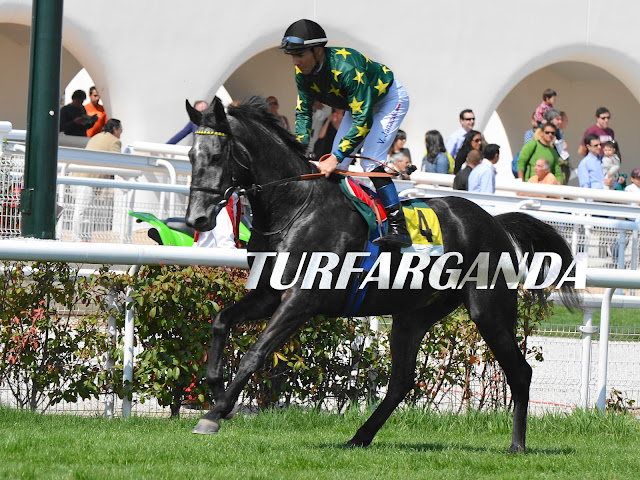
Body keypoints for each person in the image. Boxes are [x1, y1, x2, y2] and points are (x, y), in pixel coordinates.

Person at [281, 18, 411, 248]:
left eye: (300, 54)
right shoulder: (302, 73)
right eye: (292, 55)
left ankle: (398, 227)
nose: (295, 62)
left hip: (388, 100)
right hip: (358, 106)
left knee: (370, 161)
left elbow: (363, 120)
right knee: (337, 164)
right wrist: (299, 151)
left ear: (318, 51)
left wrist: (336, 156)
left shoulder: (347, 68)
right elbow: (303, 113)